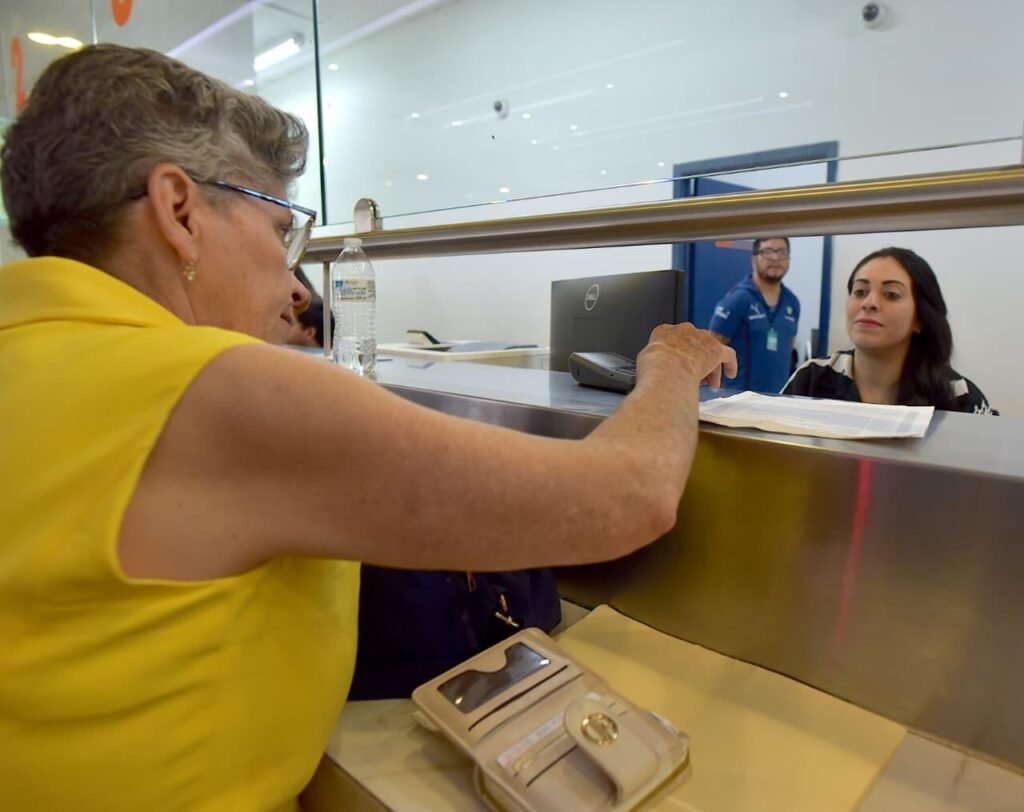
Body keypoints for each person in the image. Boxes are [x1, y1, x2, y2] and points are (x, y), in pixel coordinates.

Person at [0, 45, 736, 811]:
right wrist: (671, 362)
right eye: (280, 230)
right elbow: (629, 494)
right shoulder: (209, 390)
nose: (295, 288)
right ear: (180, 211)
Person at [783, 247, 995, 414]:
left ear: (920, 318)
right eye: (860, 291)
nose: (869, 303)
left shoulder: (958, 395)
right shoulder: (811, 378)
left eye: (891, 294)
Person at [709, 237, 800, 393]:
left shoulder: (792, 303)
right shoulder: (738, 300)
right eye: (767, 251)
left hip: (779, 399)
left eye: (782, 252)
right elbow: (711, 351)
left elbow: (788, 349)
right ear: (753, 259)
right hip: (739, 401)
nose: (775, 258)